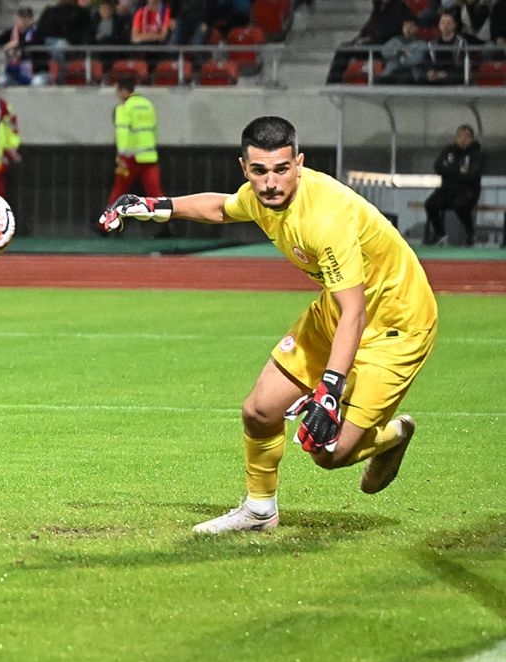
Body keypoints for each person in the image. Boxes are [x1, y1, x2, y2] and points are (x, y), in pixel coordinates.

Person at [100, 115, 437, 532]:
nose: (271, 182)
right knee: (259, 411)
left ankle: (394, 436)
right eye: (259, 171)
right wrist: (154, 205)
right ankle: (260, 511)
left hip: (396, 325)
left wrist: (329, 389)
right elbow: (222, 207)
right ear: (245, 168)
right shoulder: (261, 196)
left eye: (281, 169)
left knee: (329, 453)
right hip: (339, 308)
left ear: (299, 163)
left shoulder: (325, 220)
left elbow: (357, 313)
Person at [107, 75, 165, 228]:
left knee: (119, 191)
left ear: (123, 90)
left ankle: (106, 225)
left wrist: (121, 155)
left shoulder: (124, 107)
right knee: (156, 194)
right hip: (149, 156)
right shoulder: (148, 104)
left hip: (129, 158)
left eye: (118, 91)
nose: (117, 95)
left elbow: (122, 133)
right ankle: (166, 226)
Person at [423, 125, 484, 246]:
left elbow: (472, 175)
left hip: (468, 191)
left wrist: (450, 170)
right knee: (430, 204)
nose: (463, 139)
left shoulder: (476, 154)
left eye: (467, 136)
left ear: (471, 138)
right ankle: (440, 233)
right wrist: (459, 171)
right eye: (460, 135)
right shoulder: (448, 150)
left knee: (460, 204)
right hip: (447, 190)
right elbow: (438, 167)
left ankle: (470, 233)